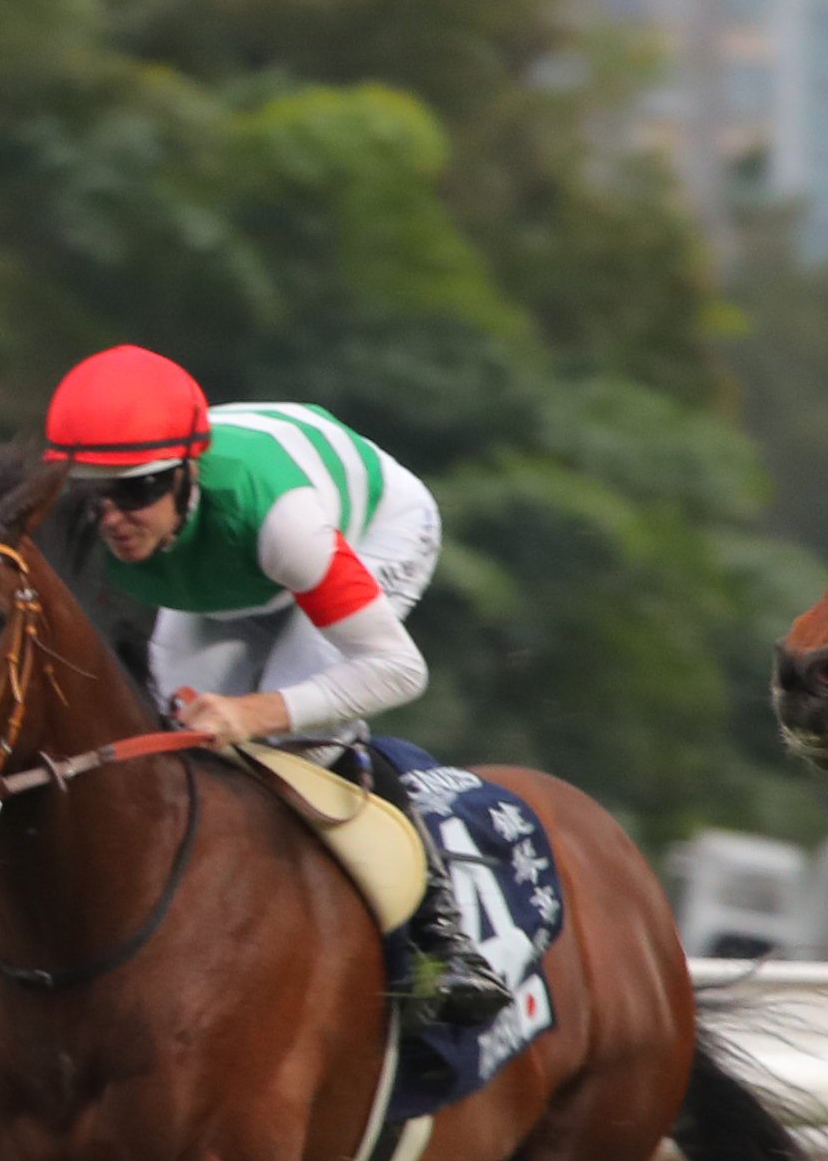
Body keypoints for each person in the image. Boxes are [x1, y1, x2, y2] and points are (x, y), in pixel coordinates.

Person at [40, 344, 512, 1028]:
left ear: (186, 472)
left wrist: (257, 711)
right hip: (231, 568)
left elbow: (397, 669)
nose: (113, 517)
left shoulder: (281, 521)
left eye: (138, 491)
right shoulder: (84, 525)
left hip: (362, 530)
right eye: (94, 495)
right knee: (171, 739)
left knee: (300, 740)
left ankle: (442, 940)